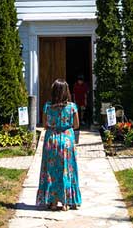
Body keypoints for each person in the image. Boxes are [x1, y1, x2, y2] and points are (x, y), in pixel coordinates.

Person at [37, 78, 81, 211]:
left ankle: (52, 201)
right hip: (67, 139)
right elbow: (76, 125)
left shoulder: (47, 106)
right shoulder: (72, 107)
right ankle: (67, 201)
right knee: (67, 169)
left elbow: (45, 124)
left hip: (51, 140)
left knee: (50, 171)